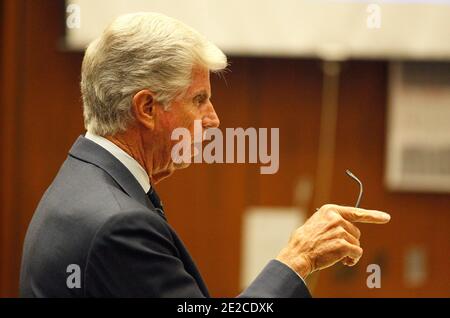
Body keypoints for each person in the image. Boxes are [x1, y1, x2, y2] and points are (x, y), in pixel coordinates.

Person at [19, 12, 390, 297]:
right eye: (199, 100)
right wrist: (299, 257)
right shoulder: (118, 225)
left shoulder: (81, 179)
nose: (214, 119)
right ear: (147, 108)